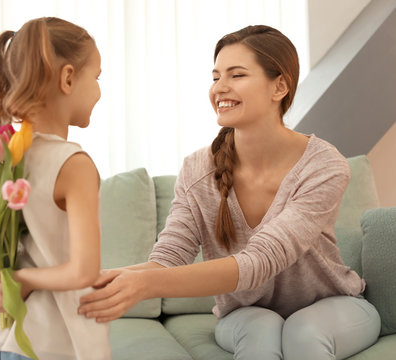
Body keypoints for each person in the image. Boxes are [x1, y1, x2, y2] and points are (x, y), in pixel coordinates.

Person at [78, 25, 381, 360]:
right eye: (215, 76)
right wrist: (98, 281)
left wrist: (145, 286)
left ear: (279, 86)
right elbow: (167, 260)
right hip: (245, 312)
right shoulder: (197, 169)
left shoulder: (324, 165)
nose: (219, 88)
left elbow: (261, 260)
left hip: (331, 304)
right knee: (260, 336)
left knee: (304, 335)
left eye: (236, 75)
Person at [0, 17, 111, 360]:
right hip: (60, 344)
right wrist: (21, 279)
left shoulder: (10, 155)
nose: (99, 90)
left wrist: (6, 272)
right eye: (96, 77)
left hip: (12, 339)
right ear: (68, 78)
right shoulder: (74, 164)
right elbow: (84, 270)